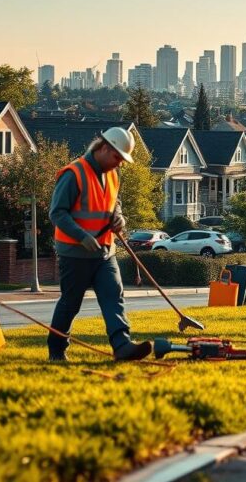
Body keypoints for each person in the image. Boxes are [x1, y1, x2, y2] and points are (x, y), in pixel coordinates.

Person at [46, 127, 152, 363]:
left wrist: (119, 218)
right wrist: (81, 236)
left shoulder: (113, 174)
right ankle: (56, 350)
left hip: (105, 252)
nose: (120, 164)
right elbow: (57, 213)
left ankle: (122, 346)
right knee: (70, 303)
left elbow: (115, 203)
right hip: (75, 254)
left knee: (113, 296)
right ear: (104, 148)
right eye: (117, 157)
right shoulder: (73, 174)